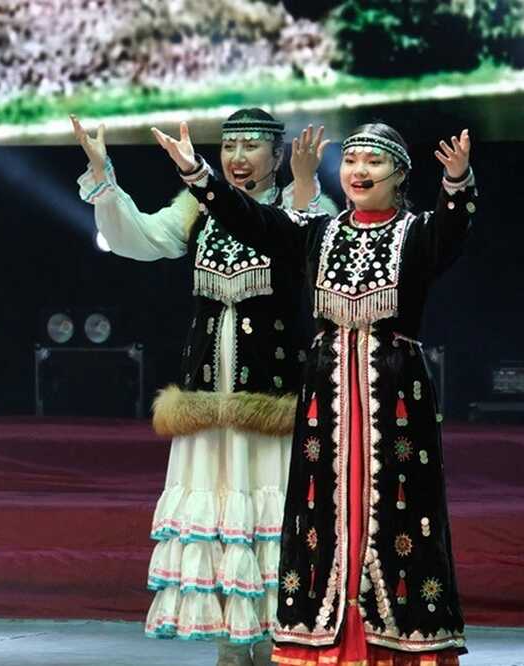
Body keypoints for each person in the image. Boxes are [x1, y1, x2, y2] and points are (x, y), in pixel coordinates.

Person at [152, 120, 473, 665]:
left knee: (399, 511)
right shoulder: (317, 232)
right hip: (327, 394)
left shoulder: (416, 233)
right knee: (321, 512)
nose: (359, 172)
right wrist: (195, 172)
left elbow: (453, 232)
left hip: (395, 394)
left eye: (373, 162)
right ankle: (323, 639)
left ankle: (397, 640)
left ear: (399, 174)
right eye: (351, 161)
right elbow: (248, 217)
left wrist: (458, 182)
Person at [72, 109, 337, 666]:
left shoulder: (302, 207)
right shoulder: (197, 207)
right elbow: (141, 237)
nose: (237, 158)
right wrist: (103, 177)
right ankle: (231, 646)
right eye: (230, 146)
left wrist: (305, 184)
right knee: (217, 521)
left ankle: (280, 642)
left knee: (270, 516)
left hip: (273, 397)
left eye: (251, 147)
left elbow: (315, 246)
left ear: (278, 154)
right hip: (207, 397)